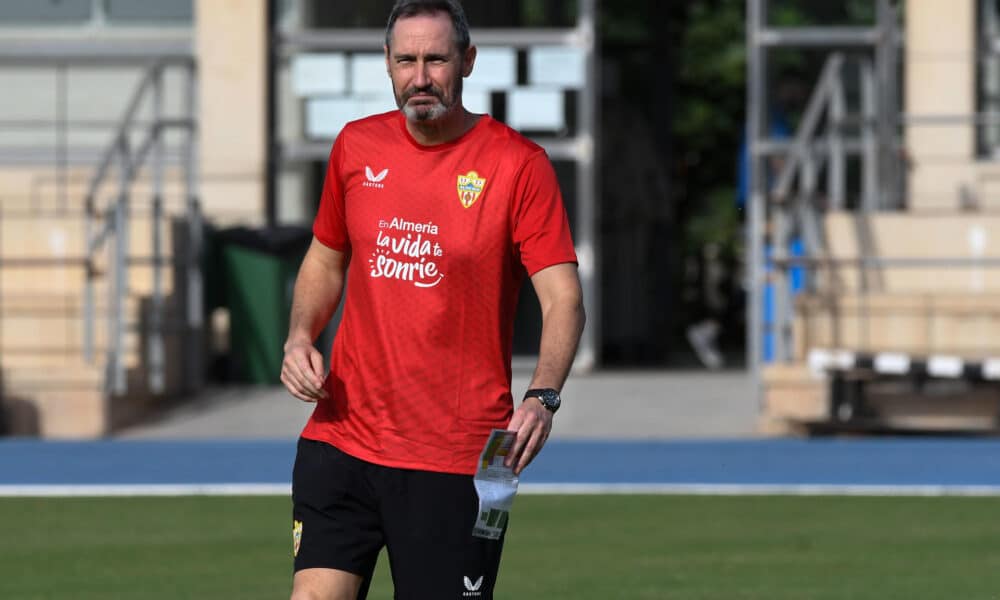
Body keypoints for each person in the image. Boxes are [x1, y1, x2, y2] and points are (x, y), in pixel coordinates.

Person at [280, 1, 586, 598]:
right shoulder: (355, 146)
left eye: (436, 59)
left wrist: (543, 396)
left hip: (459, 460)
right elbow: (325, 256)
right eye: (406, 60)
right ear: (388, 65)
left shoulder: (518, 165)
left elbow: (564, 298)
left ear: (467, 62)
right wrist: (299, 336)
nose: (420, 77)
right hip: (340, 440)